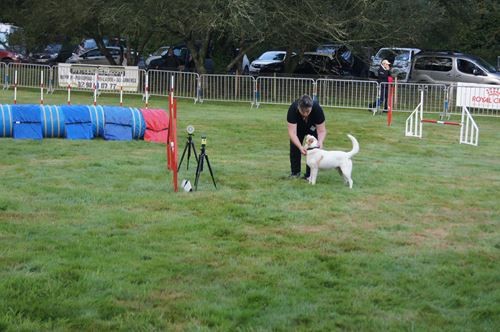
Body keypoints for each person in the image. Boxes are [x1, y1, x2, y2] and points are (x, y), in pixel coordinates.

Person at [287, 94, 327, 179]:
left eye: (308, 111)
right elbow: (292, 133)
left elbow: (321, 130)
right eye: (303, 111)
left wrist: (320, 141)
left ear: (311, 107)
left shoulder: (317, 109)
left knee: (314, 149)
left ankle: (310, 175)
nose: (305, 114)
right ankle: (295, 173)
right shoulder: (292, 109)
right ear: (298, 107)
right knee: (295, 147)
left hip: (312, 128)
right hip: (298, 129)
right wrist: (300, 147)